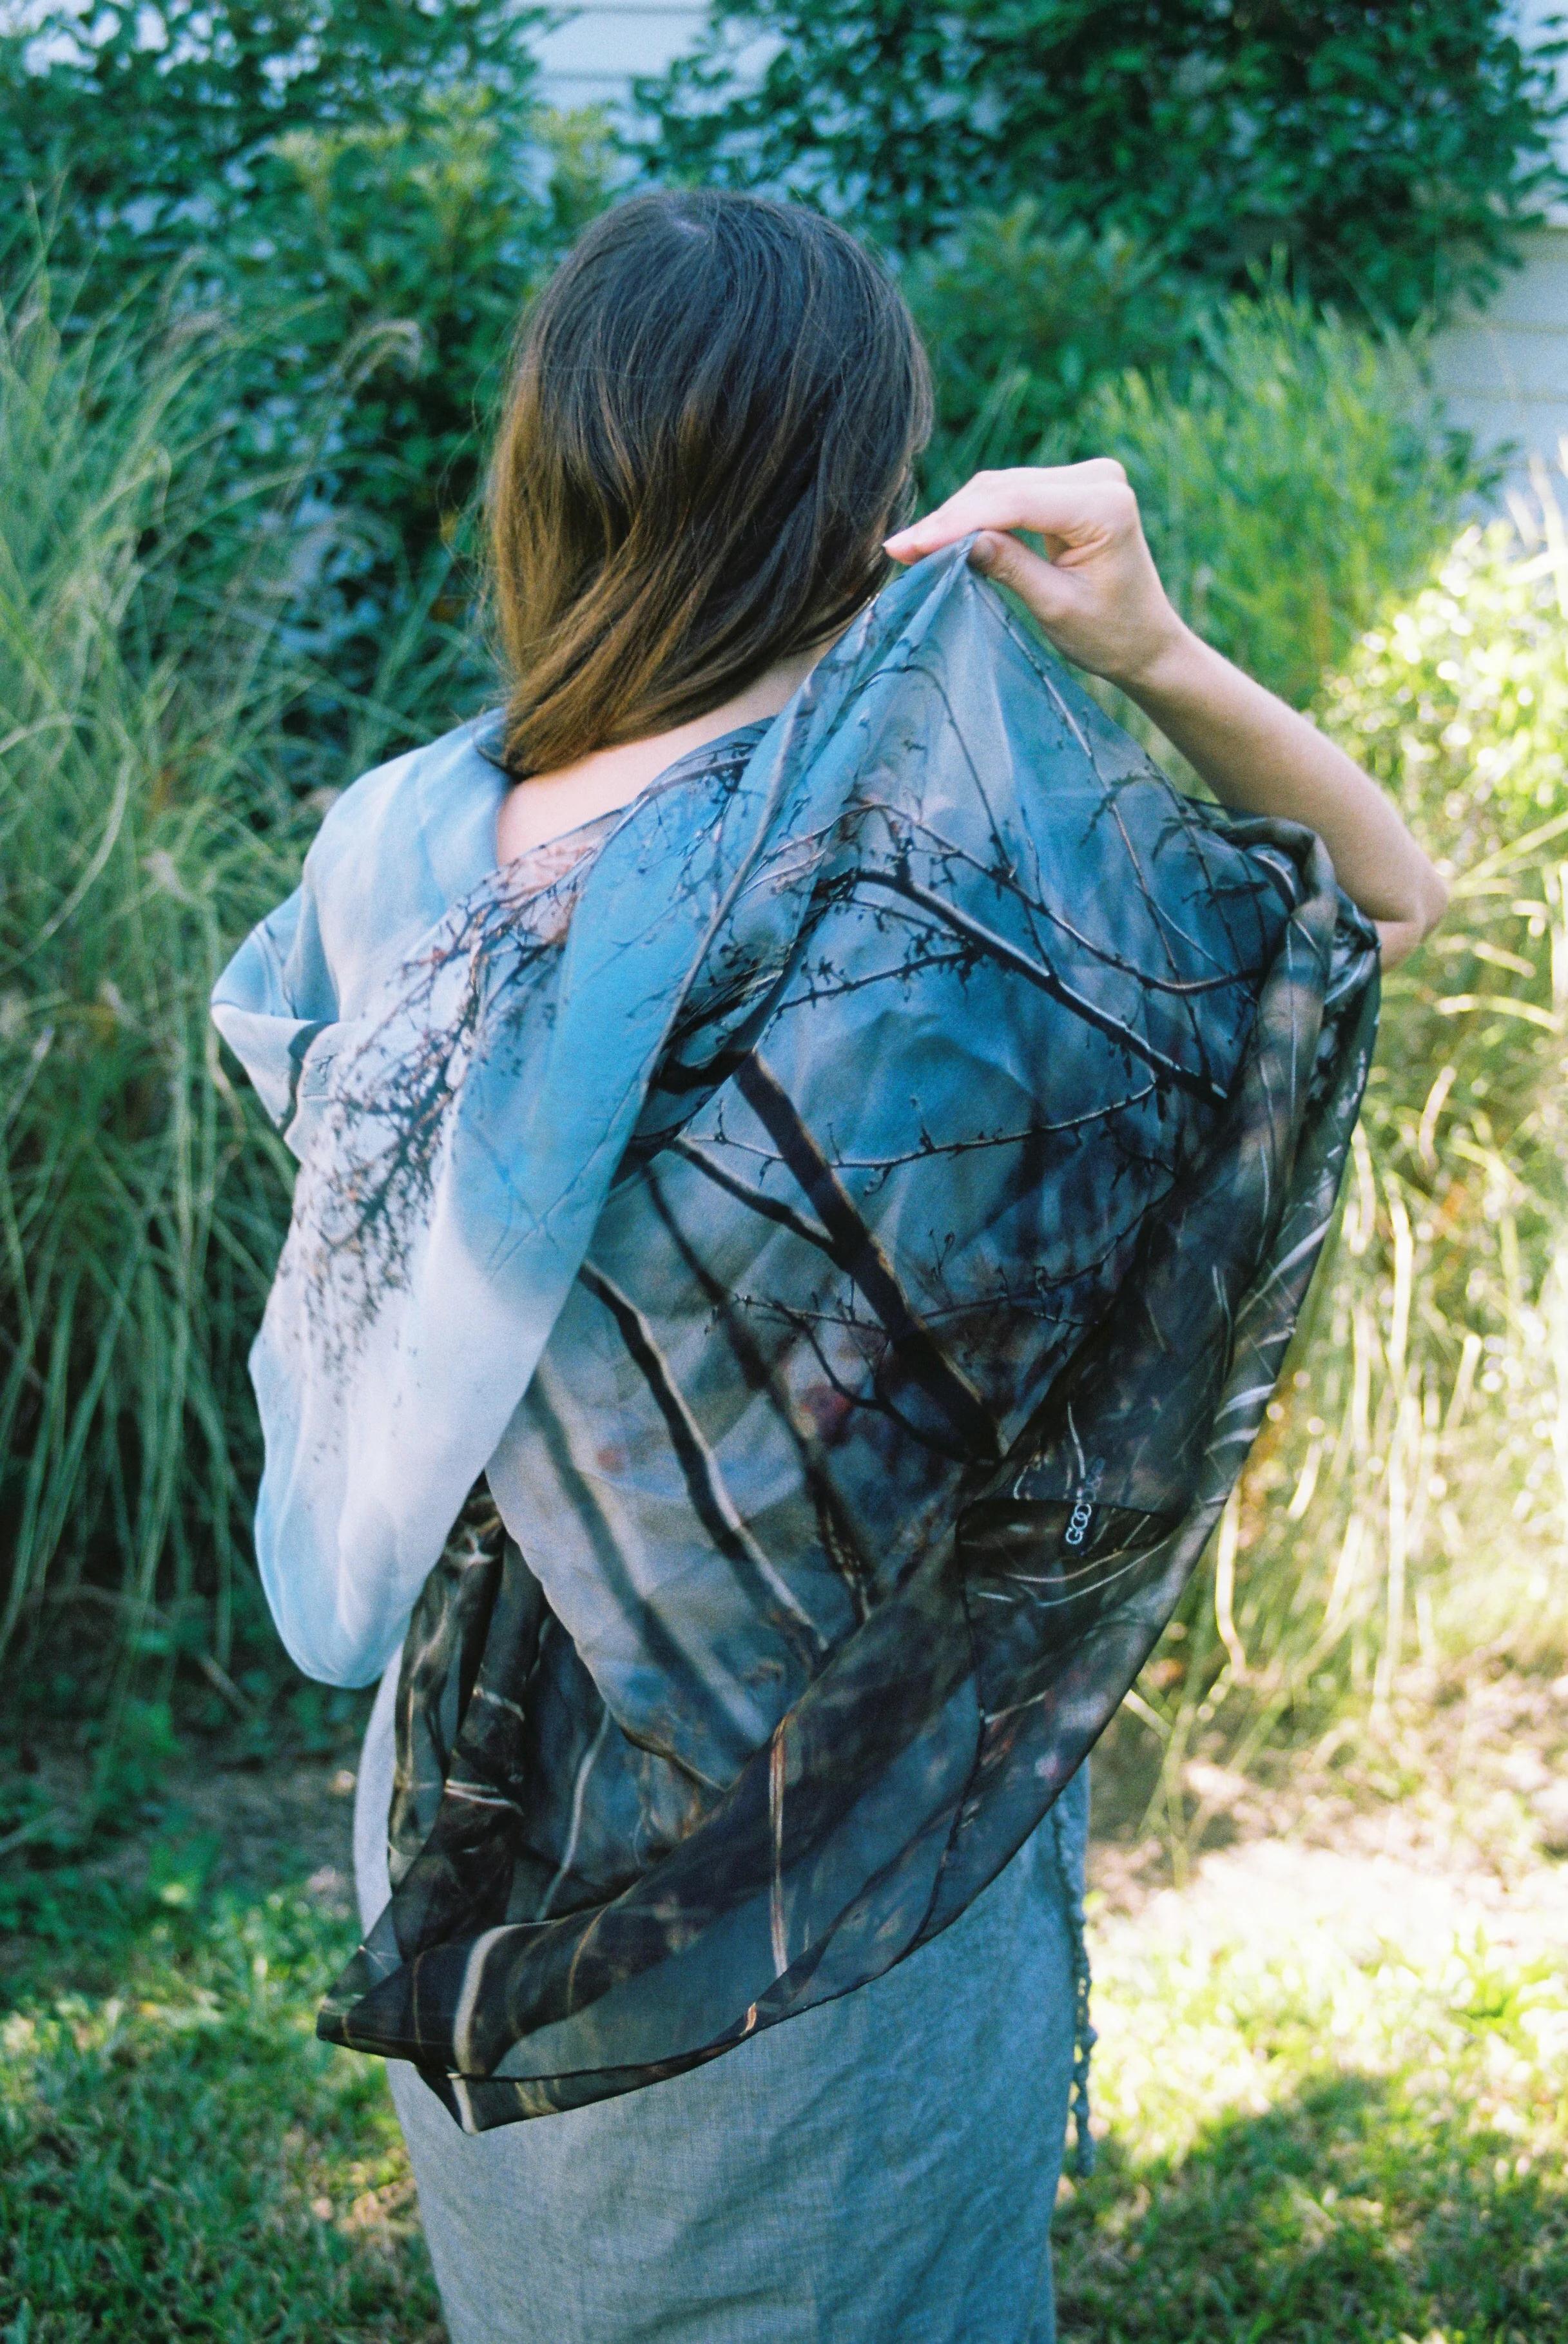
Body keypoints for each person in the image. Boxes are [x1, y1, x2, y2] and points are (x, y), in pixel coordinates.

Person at [212, 190, 1445, 2344]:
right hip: (834, 1798)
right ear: (861, 482)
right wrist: (1144, 650)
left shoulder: (381, 851)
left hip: (484, 1782)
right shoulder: (939, 886)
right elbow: (1375, 902)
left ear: (553, 464)